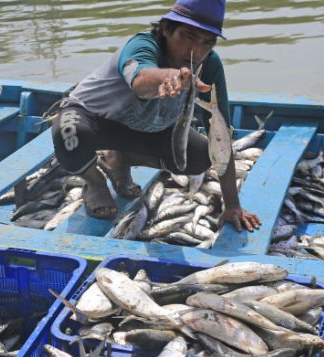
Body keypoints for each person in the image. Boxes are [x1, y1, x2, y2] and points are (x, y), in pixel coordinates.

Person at [51, 0, 261, 232]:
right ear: (166, 29)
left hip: (145, 128)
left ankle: (119, 158)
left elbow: (219, 134)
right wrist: (170, 77)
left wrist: (232, 205)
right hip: (93, 119)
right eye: (188, 36)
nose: (197, 51)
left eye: (207, 42)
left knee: (202, 157)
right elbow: (140, 81)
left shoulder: (209, 65)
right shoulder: (142, 46)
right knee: (68, 134)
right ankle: (95, 183)